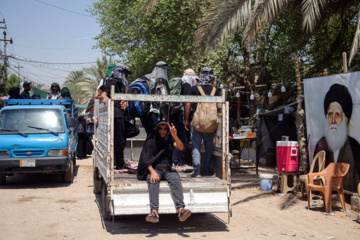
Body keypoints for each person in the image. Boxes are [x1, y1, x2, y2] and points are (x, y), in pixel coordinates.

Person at [137, 120, 191, 223]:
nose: (162, 131)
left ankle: (181, 210)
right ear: (157, 129)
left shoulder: (169, 139)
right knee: (153, 181)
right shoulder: (151, 140)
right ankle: (154, 212)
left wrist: (175, 136)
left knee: (175, 180)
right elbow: (145, 159)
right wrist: (152, 172)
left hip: (168, 169)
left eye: (165, 129)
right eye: (160, 129)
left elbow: (181, 147)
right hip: (155, 168)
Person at [314, 83, 360, 193]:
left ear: (345, 120)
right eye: (330, 114)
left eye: (338, 115)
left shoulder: (355, 147)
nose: (333, 120)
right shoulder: (321, 144)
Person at [184, 67, 220, 178]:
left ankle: (197, 171)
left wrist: (186, 119)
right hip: (211, 124)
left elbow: (188, 104)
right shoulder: (215, 90)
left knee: (196, 146)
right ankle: (206, 170)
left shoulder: (195, 88)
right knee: (209, 147)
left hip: (198, 123)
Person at [101, 64, 131, 170]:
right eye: (124, 74)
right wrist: (107, 100)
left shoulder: (120, 84)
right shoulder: (113, 82)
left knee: (121, 138)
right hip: (116, 114)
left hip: (120, 114)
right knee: (118, 140)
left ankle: (119, 161)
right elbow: (103, 94)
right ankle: (119, 163)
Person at [135, 61, 173, 136]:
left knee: (150, 135)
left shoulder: (145, 77)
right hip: (155, 113)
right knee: (154, 136)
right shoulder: (161, 80)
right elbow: (166, 99)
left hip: (144, 111)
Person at [170, 69, 197, 168]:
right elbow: (188, 104)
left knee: (174, 137)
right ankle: (179, 162)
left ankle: (173, 160)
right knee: (183, 139)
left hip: (173, 114)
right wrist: (186, 120)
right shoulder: (188, 87)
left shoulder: (178, 85)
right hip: (181, 117)